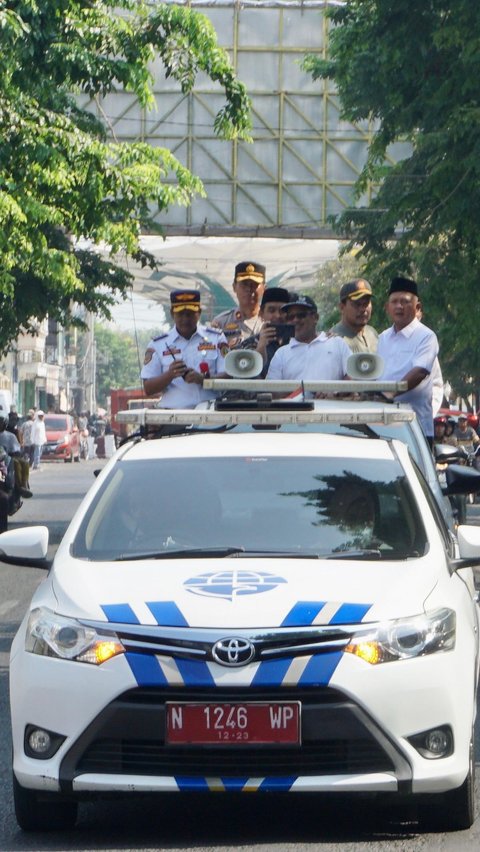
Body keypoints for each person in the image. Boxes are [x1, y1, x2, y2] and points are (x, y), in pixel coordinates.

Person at [141, 289, 229, 409]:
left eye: (190, 314)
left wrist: (203, 380)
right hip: (174, 416)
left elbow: (228, 377)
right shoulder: (158, 344)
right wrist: (170, 375)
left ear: (199, 312)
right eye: (180, 314)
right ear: (172, 314)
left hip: (210, 414)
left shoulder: (216, 338)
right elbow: (148, 388)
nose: (185, 319)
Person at [376, 277, 439, 442]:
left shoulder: (426, 336)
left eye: (405, 301)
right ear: (387, 307)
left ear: (417, 307)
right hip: (384, 426)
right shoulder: (382, 338)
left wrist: (390, 393)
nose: (399, 306)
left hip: (415, 428)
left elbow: (419, 372)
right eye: (394, 301)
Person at [266, 294, 351, 386]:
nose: (295, 320)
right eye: (290, 317)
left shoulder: (337, 344)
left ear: (315, 317)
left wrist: (334, 392)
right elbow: (272, 389)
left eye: (301, 315)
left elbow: (352, 376)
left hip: (331, 400)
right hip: (294, 400)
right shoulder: (281, 354)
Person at [240, 286, 292, 376]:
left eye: (282, 311)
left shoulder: (299, 342)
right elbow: (245, 379)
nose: (277, 315)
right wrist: (261, 347)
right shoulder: (248, 344)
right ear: (261, 314)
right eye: (271, 311)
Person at [211, 261, 266, 348]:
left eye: (254, 285)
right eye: (244, 284)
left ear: (264, 288)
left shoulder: (268, 321)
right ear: (234, 287)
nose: (249, 289)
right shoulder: (221, 322)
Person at [330, 278, 378, 353]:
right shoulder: (335, 341)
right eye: (357, 304)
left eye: (366, 303)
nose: (362, 309)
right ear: (342, 307)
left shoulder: (372, 333)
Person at [0, 416, 32, 498]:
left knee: (23, 463)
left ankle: (22, 486)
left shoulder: (10, 436)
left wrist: (15, 453)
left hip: (7, 457)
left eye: (1, 423)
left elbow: (16, 449)